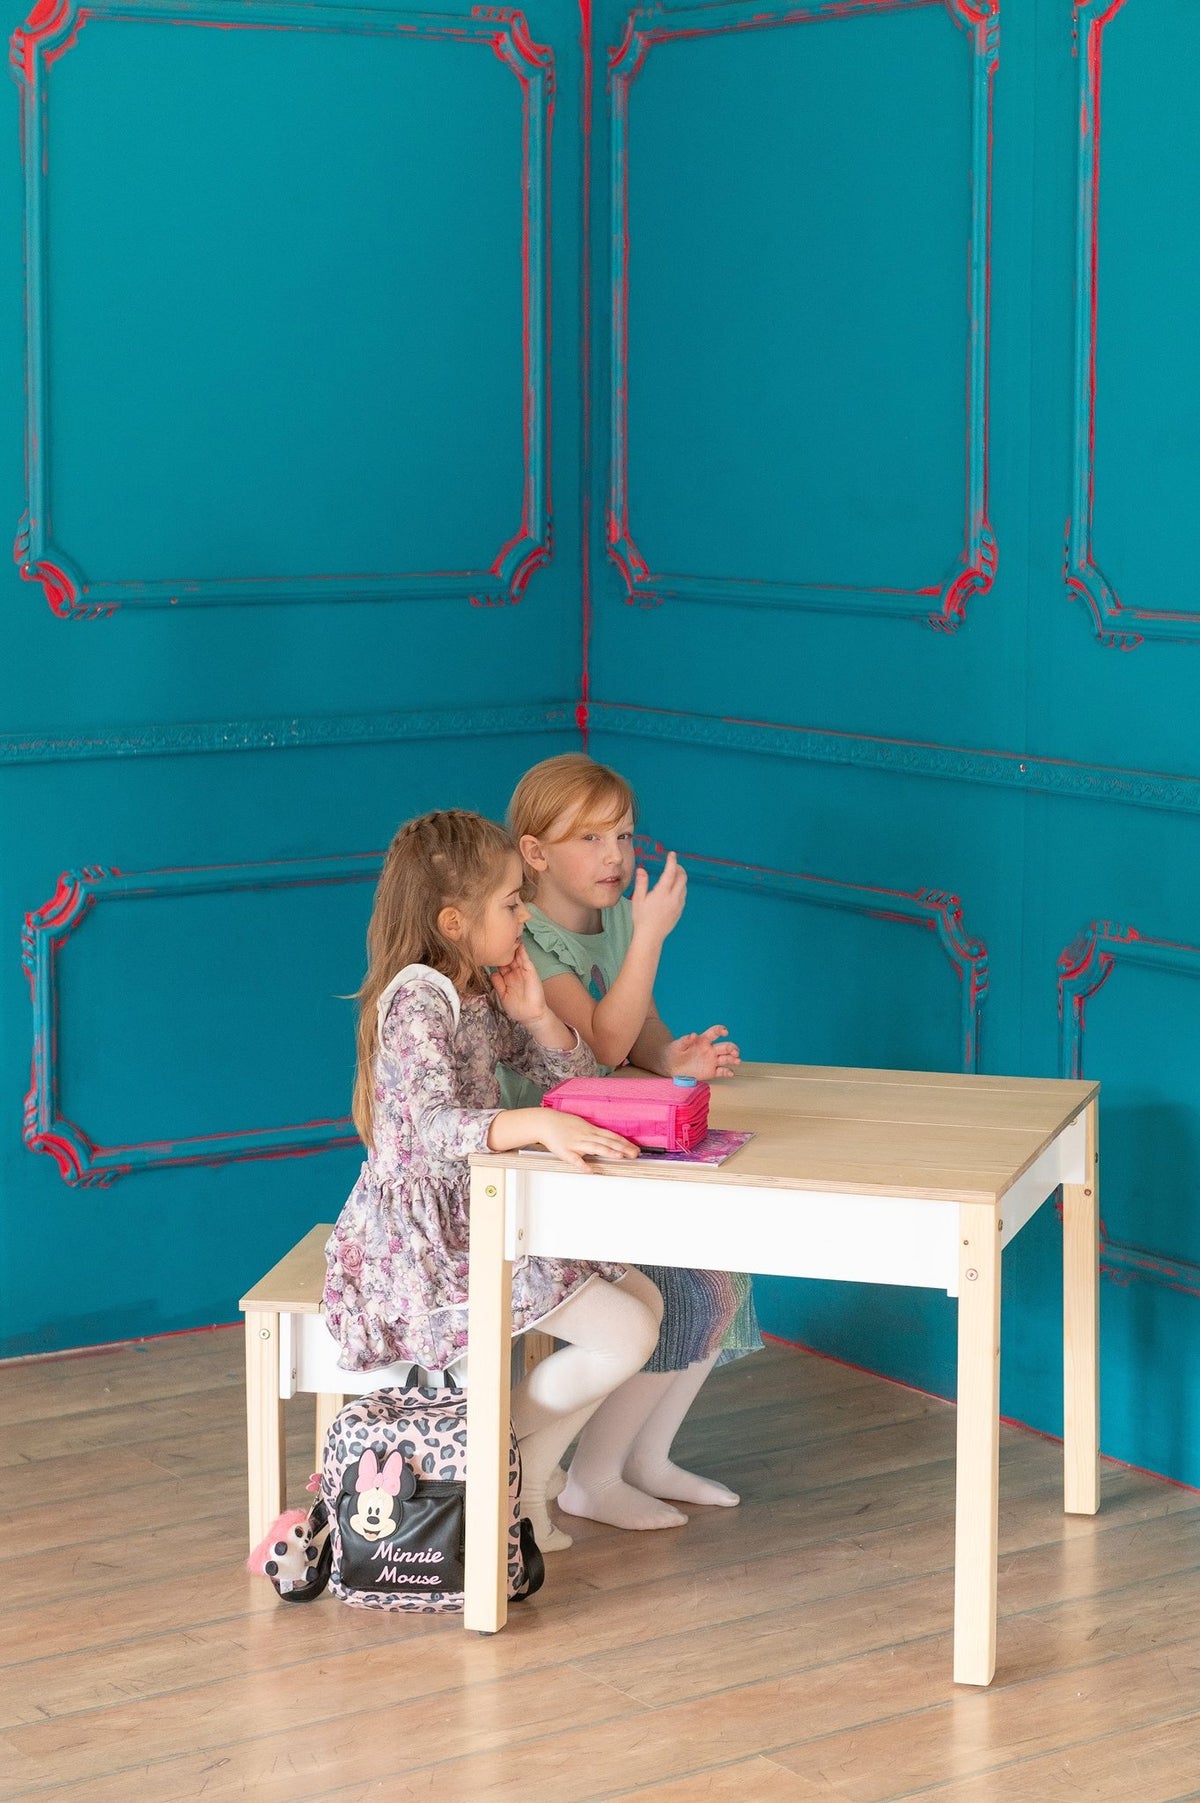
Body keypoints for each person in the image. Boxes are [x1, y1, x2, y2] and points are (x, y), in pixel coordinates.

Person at [323, 809, 664, 1553]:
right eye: (512, 902)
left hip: (485, 1208)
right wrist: (535, 1125)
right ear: (454, 919)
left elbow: (569, 1076)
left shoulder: (479, 987)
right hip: (430, 1239)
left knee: (643, 1300)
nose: (524, 913)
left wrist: (538, 1017)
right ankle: (505, 1474)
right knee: (628, 1327)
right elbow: (427, 1131)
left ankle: (520, 1483)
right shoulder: (418, 998)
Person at [502, 754, 761, 1533]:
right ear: (535, 853)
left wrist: (673, 1058)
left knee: (729, 1276)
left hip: (609, 1148)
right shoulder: (532, 939)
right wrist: (648, 934)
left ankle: (647, 1456)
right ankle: (593, 1476)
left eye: (624, 834)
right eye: (589, 838)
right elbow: (597, 1035)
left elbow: (633, 1035)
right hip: (545, 1165)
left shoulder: (611, 917)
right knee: (690, 1291)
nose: (615, 855)